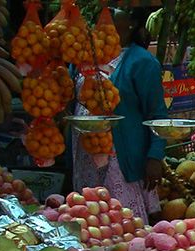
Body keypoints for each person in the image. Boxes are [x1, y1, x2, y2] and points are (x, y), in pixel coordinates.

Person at [71, 8, 168, 222]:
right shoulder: (83, 56)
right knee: (89, 219)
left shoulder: (141, 62)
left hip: (121, 159)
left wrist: (155, 156)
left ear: (131, 22)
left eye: (116, 9)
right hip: (86, 155)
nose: (107, 12)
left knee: (121, 224)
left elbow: (157, 112)